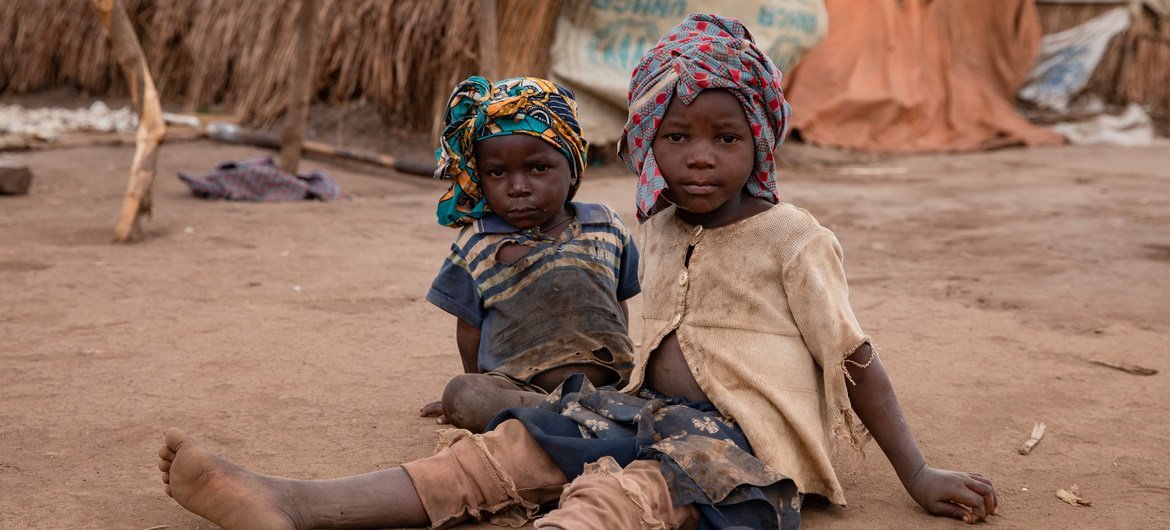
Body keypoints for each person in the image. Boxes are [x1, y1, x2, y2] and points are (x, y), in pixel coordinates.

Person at [156, 14, 998, 529]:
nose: (698, 158)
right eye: (676, 137)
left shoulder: (793, 236)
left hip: (744, 448)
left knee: (623, 497)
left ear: (762, 143)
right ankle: (300, 504)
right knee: (514, 449)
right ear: (643, 143)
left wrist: (917, 474)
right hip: (645, 408)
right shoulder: (660, 226)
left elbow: (856, 360)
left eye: (724, 137)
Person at [418, 76, 640, 432]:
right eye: (497, 173)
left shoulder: (606, 226)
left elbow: (615, 302)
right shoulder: (477, 243)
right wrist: (479, 385)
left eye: (538, 168)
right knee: (463, 394)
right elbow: (469, 326)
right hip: (520, 386)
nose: (518, 187)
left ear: (573, 170)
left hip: (607, 384)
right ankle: (569, 413)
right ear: (481, 178)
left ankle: (563, 413)